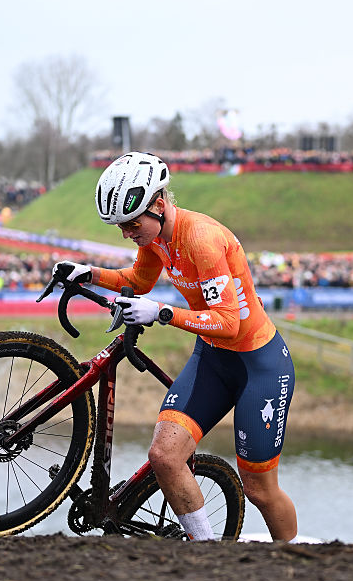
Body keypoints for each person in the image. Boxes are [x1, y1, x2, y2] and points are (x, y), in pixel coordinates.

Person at [52, 151, 297, 542]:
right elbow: (139, 279)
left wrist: (162, 313)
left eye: (131, 224)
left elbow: (229, 324)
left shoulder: (200, 240)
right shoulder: (156, 236)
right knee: (164, 457)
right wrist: (89, 273)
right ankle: (206, 551)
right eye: (121, 227)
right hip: (214, 359)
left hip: (259, 368)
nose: (127, 233)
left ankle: (293, 562)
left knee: (259, 491)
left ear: (160, 205)